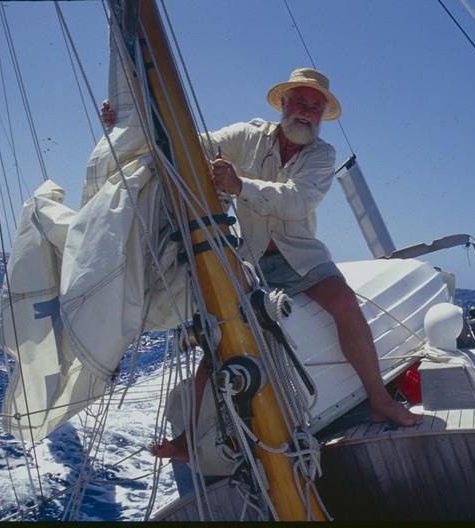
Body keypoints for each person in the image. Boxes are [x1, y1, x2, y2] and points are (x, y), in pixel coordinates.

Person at [104, 68, 421, 464]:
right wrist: (133, 126)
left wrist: (241, 186)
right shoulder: (247, 135)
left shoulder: (322, 155)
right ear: (284, 105)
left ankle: (379, 401)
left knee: (343, 301)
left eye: (315, 107)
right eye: (300, 102)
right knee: (218, 338)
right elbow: (192, 145)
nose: (307, 112)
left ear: (322, 115)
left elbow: (298, 201)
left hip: (301, 256)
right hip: (249, 258)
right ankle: (188, 438)